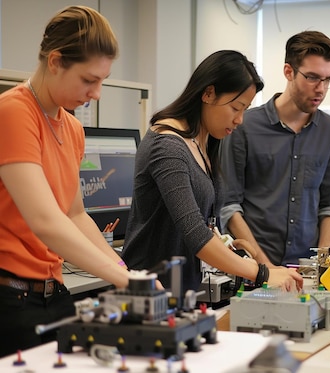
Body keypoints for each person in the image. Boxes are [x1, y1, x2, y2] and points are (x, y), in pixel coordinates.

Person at [0, 6, 132, 357]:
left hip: (52, 293)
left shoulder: (72, 127)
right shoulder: (13, 112)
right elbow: (45, 221)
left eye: (102, 80)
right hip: (10, 299)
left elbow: (75, 215)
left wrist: (125, 270)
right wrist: (123, 280)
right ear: (56, 61)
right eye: (89, 80)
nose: (97, 92)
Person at [122, 50, 303, 293]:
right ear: (208, 93)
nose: (240, 120)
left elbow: (203, 227)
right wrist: (262, 271)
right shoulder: (166, 146)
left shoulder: (203, 141)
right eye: (236, 108)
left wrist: (226, 247)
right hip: (149, 291)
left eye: (245, 109)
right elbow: (194, 232)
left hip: (182, 290)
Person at [220, 31, 330, 266]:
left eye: (327, 79)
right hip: (253, 267)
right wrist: (265, 268)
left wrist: (322, 262)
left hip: (307, 270)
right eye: (312, 77)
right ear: (288, 71)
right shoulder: (244, 126)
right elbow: (229, 206)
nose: (321, 88)